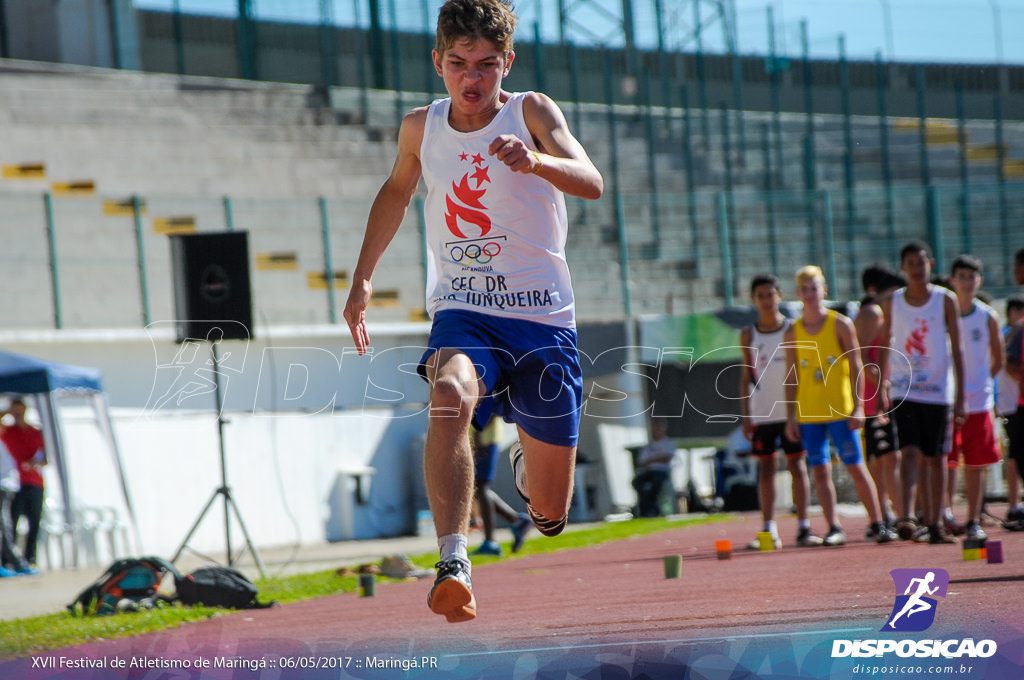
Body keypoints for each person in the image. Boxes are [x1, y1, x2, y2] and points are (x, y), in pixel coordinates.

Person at [342, 0, 603, 623]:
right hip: (465, 309)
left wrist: (535, 159)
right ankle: (453, 560)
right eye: (458, 63)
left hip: (542, 319)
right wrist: (362, 279)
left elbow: (591, 180)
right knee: (450, 395)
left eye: (486, 64)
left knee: (550, 515)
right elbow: (397, 191)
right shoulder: (419, 128)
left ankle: (528, 476)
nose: (472, 77)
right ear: (438, 63)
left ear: (506, 62)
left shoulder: (531, 111)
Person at [784, 266, 894, 546]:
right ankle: (834, 526)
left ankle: (878, 522)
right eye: (804, 289)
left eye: (814, 288)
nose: (810, 294)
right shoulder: (793, 331)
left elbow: (857, 366)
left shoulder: (841, 324)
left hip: (840, 410)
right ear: (798, 293)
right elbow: (792, 375)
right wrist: (790, 417)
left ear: (824, 290)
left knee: (856, 466)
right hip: (809, 412)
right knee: (820, 469)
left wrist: (859, 407)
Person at [877, 241, 966, 545]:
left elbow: (958, 346)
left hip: (938, 390)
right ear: (903, 268)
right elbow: (885, 343)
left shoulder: (945, 300)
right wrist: (882, 384)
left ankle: (937, 521)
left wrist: (961, 396)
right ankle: (906, 517)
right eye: (911, 263)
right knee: (909, 452)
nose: (917, 268)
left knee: (937, 457)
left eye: (921, 262)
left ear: (931, 264)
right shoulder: (893, 302)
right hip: (905, 388)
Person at [739, 274, 821, 549]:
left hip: (790, 413)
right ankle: (768, 529)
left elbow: (798, 371)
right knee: (766, 468)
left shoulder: (791, 329)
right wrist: (745, 415)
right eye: (760, 296)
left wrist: (796, 411)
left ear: (779, 295)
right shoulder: (748, 334)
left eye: (770, 294)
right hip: (761, 412)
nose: (766, 300)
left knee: (797, 466)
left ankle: (803, 526)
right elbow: (745, 375)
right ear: (753, 299)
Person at [947, 255, 1003, 540]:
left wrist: (980, 383)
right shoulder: (945, 313)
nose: (967, 282)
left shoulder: (987, 316)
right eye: (962, 276)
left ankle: (973, 519)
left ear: (978, 281)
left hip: (978, 402)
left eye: (972, 277)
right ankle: (944, 514)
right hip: (946, 399)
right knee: (945, 460)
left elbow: (997, 359)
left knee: (976, 462)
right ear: (952, 280)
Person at [854, 264, 907, 538]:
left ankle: (889, 516)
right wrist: (879, 384)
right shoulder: (872, 313)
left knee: (886, 459)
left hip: (887, 394)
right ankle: (895, 517)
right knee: (887, 458)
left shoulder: (888, 316)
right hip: (874, 398)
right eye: (894, 294)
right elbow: (858, 356)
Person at [471, 416, 531, 556]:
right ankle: (517, 520)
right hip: (477, 440)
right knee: (475, 489)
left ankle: (491, 541)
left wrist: (478, 434)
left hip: (485, 440)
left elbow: (492, 409)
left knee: (480, 487)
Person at [1, 398, 46, 568]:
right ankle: (9, 560)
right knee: (11, 522)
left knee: (34, 523)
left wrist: (35, 463)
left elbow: (44, 456)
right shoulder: (7, 432)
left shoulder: (35, 431)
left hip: (34, 482)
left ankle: (30, 558)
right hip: (14, 483)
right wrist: (9, 411)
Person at [996, 294, 1024, 523]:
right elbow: (1007, 364)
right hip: (1011, 404)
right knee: (1014, 456)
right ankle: (1014, 505)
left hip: (1015, 403)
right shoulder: (1007, 334)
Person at [0, 438, 33, 576]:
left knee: (5, 526)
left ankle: (14, 562)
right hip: (2, 486)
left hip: (7, 486)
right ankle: (15, 562)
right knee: (4, 526)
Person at [631, 418, 676, 518]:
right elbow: (642, 463)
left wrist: (651, 460)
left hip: (662, 472)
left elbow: (666, 458)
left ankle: (654, 509)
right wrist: (656, 459)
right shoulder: (648, 446)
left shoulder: (668, 443)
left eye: (658, 428)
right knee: (638, 483)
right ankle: (646, 510)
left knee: (656, 483)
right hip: (648, 472)